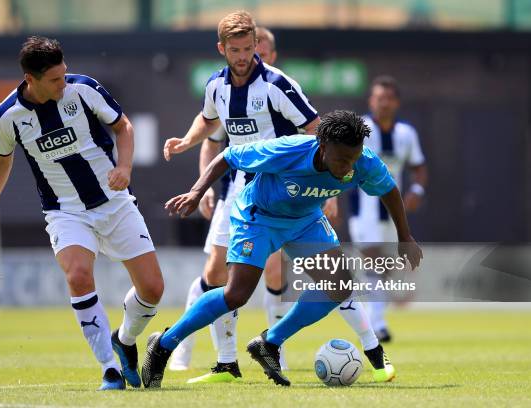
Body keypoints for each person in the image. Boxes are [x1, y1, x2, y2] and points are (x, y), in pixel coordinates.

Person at [164, 13, 380, 384]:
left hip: (284, 190)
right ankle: (223, 361)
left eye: (249, 49)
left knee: (320, 276)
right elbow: (208, 119)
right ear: (222, 50)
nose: (244, 56)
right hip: (239, 190)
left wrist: (325, 186)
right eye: (236, 50)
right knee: (218, 273)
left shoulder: (277, 85)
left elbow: (317, 130)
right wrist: (187, 141)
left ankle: (291, 346)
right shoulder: (216, 85)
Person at [144, 110, 422, 388]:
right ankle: (163, 345)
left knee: (339, 285)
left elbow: (389, 190)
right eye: (341, 160)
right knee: (237, 294)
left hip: (305, 221)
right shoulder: (289, 149)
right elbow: (228, 157)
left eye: (353, 158)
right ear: (322, 147)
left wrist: (404, 236)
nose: (349, 168)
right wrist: (197, 192)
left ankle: (269, 342)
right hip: (258, 217)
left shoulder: (363, 162)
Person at [0, 36, 164, 391]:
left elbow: (123, 126)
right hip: (66, 211)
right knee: (77, 276)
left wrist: (125, 167)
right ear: (32, 79)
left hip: (115, 203)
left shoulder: (84, 90)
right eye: (55, 79)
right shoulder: (8, 116)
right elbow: (1, 160)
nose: (64, 82)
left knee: (152, 289)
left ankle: (125, 339)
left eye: (64, 74)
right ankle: (109, 368)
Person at [349, 75, 428, 342]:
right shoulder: (359, 128)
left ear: (396, 103)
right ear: (371, 100)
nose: (383, 104)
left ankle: (375, 320)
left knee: (384, 266)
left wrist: (417, 190)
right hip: (363, 207)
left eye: (388, 99)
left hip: (393, 209)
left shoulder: (406, 134)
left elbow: (419, 167)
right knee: (371, 259)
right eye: (378, 98)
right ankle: (375, 324)